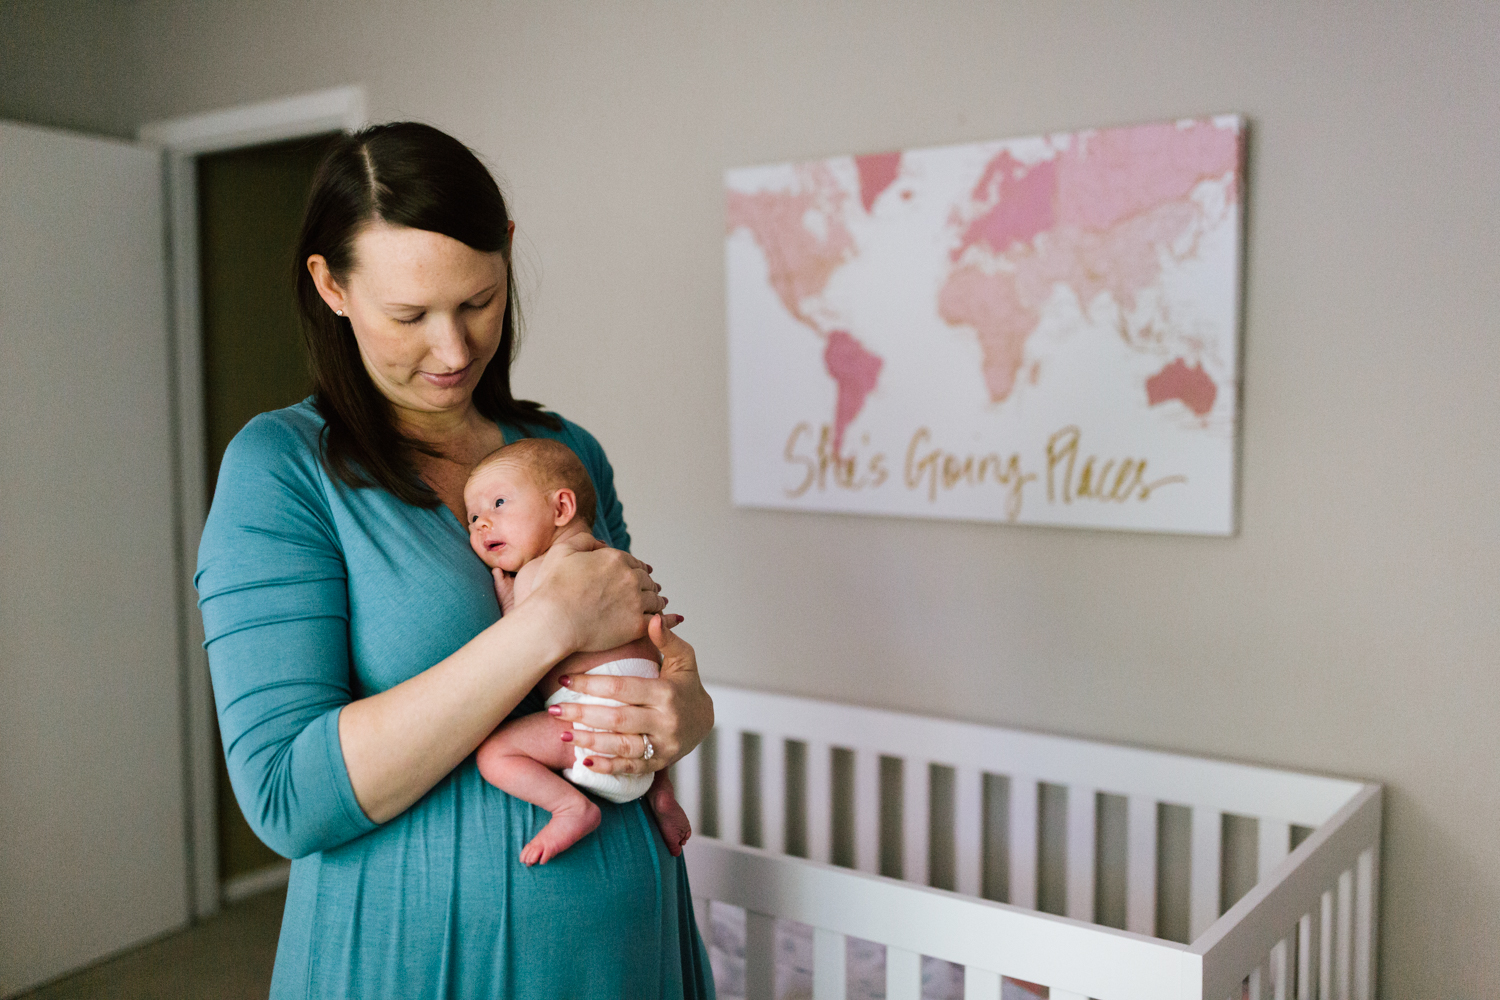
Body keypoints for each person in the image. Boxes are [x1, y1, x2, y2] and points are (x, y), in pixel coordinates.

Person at [195, 121, 715, 998]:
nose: (455, 349)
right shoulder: (281, 468)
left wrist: (687, 708)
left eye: (478, 300)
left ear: (506, 255)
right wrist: (543, 624)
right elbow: (288, 796)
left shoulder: (562, 452)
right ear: (330, 286)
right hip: (413, 961)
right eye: (410, 316)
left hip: (629, 951)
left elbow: (623, 642)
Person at [465, 439, 693, 865]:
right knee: (646, 722)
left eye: (498, 503)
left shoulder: (569, 557)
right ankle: (661, 793)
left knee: (495, 754)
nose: (481, 523)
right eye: (473, 516)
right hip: (641, 738)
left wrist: (511, 603)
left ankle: (571, 807)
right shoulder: (606, 563)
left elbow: (524, 645)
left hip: (588, 729)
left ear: (561, 508)